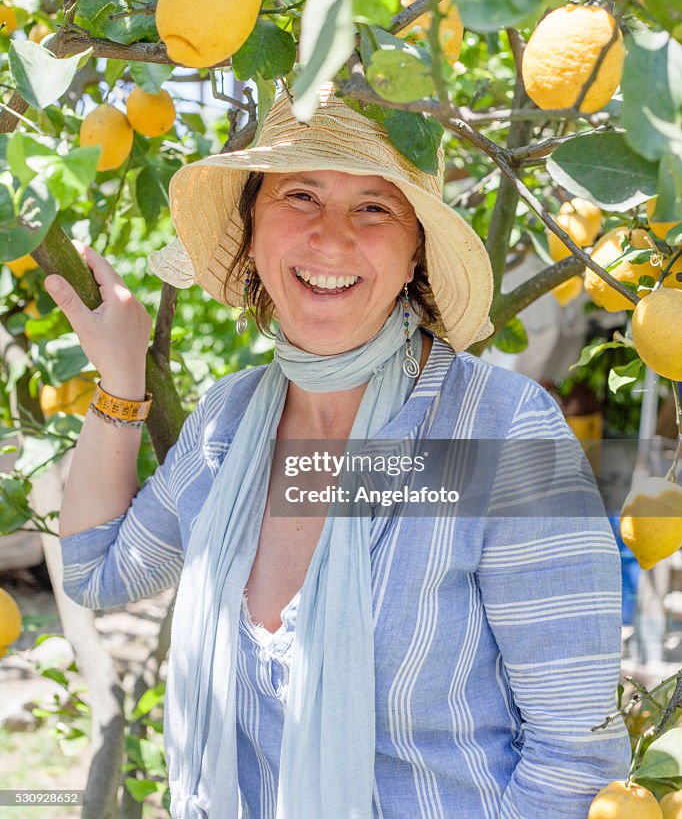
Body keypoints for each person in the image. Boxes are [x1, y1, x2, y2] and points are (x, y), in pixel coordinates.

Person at [54, 87, 631, 819]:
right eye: (300, 195)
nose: (331, 238)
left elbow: (575, 760)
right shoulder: (231, 425)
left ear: (415, 245)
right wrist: (121, 378)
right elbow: (95, 570)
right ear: (252, 229)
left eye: (374, 206)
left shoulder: (500, 432)